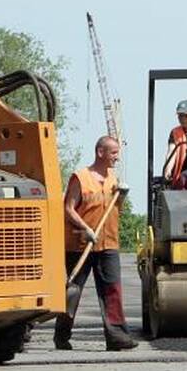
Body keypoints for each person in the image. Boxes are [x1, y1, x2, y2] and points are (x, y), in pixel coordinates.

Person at [55, 136, 138, 352]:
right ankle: (62, 336)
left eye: (117, 153)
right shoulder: (80, 178)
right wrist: (86, 228)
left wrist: (122, 196)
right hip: (80, 244)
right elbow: (68, 208)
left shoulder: (113, 178)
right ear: (100, 152)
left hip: (108, 242)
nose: (117, 158)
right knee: (73, 290)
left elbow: (114, 207)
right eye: (113, 153)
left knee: (112, 290)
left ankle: (117, 337)